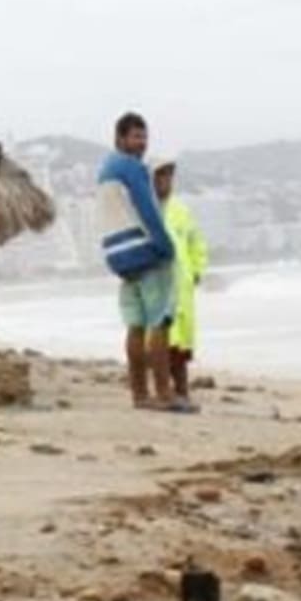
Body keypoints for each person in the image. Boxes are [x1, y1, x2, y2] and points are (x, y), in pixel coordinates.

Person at [96, 112, 189, 412]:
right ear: (120, 138)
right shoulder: (131, 167)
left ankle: (139, 394)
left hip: (119, 257)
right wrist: (167, 248)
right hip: (144, 252)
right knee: (159, 323)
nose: (142, 143)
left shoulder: (104, 170)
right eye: (136, 136)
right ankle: (164, 394)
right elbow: (147, 210)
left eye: (145, 137)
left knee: (135, 326)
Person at [151, 158, 208, 405]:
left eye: (169, 176)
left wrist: (197, 270)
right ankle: (164, 391)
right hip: (156, 284)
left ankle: (183, 391)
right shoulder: (144, 210)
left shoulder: (181, 210)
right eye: (160, 176)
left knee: (182, 342)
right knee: (162, 339)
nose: (165, 181)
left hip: (182, 285)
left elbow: (196, 241)